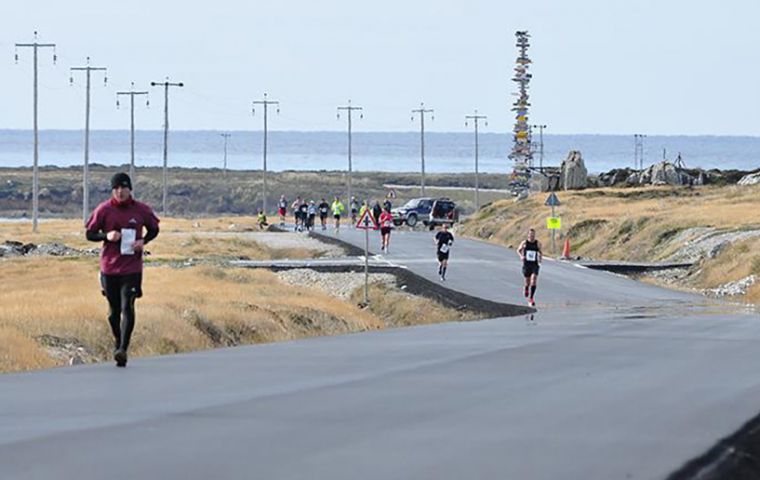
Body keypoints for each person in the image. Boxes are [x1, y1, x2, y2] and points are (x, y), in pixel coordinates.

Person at [85, 172, 159, 367]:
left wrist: (143, 241)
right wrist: (106, 236)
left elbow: (154, 229)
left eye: (124, 187)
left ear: (130, 189)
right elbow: (89, 234)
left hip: (132, 268)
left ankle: (123, 350)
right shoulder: (104, 210)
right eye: (116, 188)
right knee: (113, 312)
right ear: (112, 190)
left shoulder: (141, 210)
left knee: (128, 306)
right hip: (109, 268)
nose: (120, 191)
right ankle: (118, 341)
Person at [517, 228, 543, 307]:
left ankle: (531, 298)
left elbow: (541, 252)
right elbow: (518, 250)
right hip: (527, 264)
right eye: (530, 235)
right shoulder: (524, 243)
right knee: (527, 281)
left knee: (534, 279)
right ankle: (526, 288)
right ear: (528, 235)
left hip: (534, 264)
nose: (531, 236)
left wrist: (540, 259)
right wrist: (521, 256)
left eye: (533, 235)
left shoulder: (538, 243)